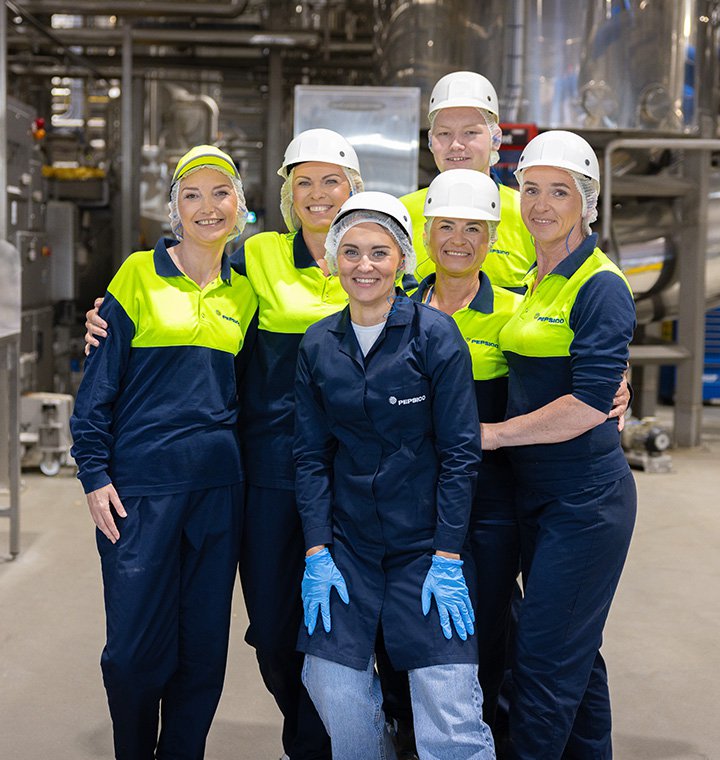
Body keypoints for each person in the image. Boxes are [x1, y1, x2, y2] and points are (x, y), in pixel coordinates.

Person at [84, 127, 362, 760]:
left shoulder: (376, 256)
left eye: (333, 180)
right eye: (304, 181)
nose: (319, 195)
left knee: (320, 633)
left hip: (329, 479)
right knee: (247, 633)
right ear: (285, 195)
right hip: (233, 477)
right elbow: (181, 275)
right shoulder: (252, 260)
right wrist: (106, 319)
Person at [293, 190, 496, 760]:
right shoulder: (317, 345)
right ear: (333, 259)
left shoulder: (434, 337)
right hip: (347, 549)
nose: (364, 266)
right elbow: (309, 456)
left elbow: (461, 452)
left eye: (379, 253)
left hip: (427, 550)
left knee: (449, 710)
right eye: (351, 252)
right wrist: (316, 553)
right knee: (331, 688)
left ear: (404, 260)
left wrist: (449, 558)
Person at [70, 145, 258, 759]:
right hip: (140, 490)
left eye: (220, 192)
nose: (208, 206)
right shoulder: (136, 274)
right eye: (193, 194)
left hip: (216, 491)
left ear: (239, 204)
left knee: (202, 648)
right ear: (175, 207)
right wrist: (94, 472)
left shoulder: (244, 295)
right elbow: (97, 386)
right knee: (132, 651)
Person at [480, 130, 637, 759]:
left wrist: (491, 435)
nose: (541, 204)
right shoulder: (530, 278)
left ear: (588, 201)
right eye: (532, 189)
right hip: (537, 497)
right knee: (575, 650)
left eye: (559, 192)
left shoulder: (600, 284)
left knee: (543, 661)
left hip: (584, 502)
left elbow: (586, 404)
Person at [409, 169, 523, 741]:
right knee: (409, 626)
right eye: (446, 226)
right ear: (426, 233)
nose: (458, 239)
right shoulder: (398, 307)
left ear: (494, 237)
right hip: (409, 500)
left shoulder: (514, 314)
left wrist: (618, 380)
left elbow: (562, 374)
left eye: (474, 228)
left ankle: (485, 737)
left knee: (488, 626)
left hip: (490, 501)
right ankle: (411, 735)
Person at [400, 70, 536, 290]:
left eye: (470, 133)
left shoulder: (528, 213)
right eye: (444, 134)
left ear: (496, 139)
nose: (456, 145)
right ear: (430, 141)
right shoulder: (401, 212)